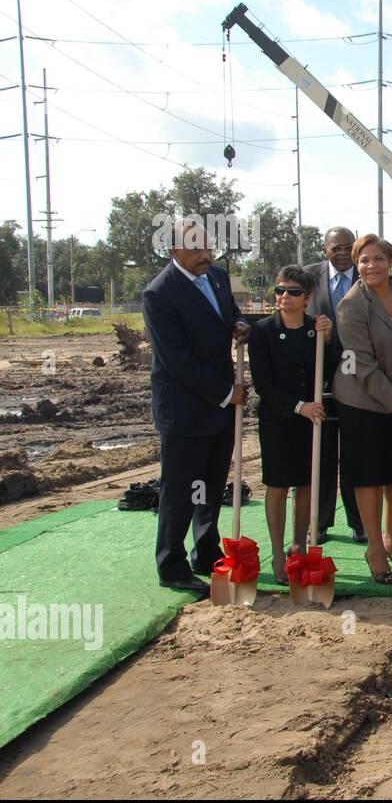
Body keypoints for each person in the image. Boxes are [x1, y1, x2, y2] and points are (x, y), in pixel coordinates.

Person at [142, 218, 250, 595]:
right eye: (196, 250)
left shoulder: (217, 276)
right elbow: (178, 360)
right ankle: (171, 565)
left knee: (210, 482)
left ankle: (206, 551)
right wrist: (226, 393)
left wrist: (238, 324)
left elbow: (230, 311)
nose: (206, 255)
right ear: (174, 251)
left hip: (218, 407)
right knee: (181, 489)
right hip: (185, 408)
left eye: (209, 247)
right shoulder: (160, 294)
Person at [332, 233, 392, 585]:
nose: (371, 266)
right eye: (363, 260)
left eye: (378, 259)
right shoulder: (352, 304)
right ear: (357, 266)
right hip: (363, 401)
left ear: (390, 262)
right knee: (370, 476)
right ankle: (375, 547)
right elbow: (361, 364)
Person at [247, 266, 334, 584]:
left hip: (311, 420)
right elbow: (264, 384)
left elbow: (332, 367)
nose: (285, 297)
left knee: (307, 484)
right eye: (280, 291)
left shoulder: (316, 329)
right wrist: (299, 407)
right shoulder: (264, 331)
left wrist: (329, 336)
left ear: (307, 298)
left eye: (293, 292)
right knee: (278, 485)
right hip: (279, 419)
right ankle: (278, 553)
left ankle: (299, 545)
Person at [305, 226, 366, 544]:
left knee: (356, 453)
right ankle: (320, 521)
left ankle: (360, 522)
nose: (343, 253)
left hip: (359, 376)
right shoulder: (308, 278)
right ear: (325, 249)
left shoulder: (369, 273)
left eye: (348, 247)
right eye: (336, 247)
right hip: (320, 377)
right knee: (322, 452)